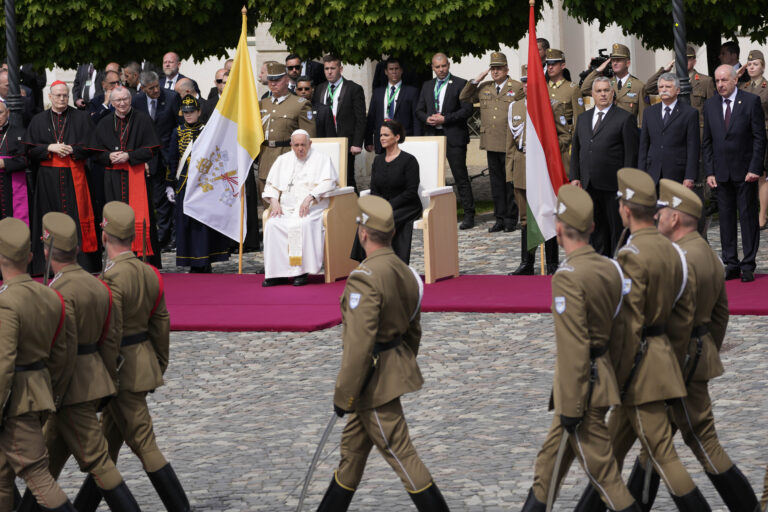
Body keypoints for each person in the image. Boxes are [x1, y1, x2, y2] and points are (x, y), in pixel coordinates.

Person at [575, 168, 710, 512]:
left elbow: (627, 324)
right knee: (611, 453)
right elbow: (684, 314)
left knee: (663, 457)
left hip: (639, 371)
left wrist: (612, 373)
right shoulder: (675, 252)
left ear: (624, 208)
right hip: (661, 361)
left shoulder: (632, 255)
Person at [628, 179, 759, 511]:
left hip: (678, 366)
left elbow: (674, 320)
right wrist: (706, 350)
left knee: (704, 444)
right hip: (690, 361)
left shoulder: (681, 258)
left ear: (675, 218)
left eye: (662, 211)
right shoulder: (705, 253)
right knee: (653, 447)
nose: (657, 217)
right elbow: (720, 315)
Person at [317, 195, 450, 512]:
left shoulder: (364, 278)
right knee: (351, 456)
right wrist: (400, 366)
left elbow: (359, 346)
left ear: (363, 233)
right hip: (385, 372)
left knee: (402, 455)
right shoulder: (406, 273)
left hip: (371, 383)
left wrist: (344, 394)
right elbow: (413, 331)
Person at [520, 185, 639, 512]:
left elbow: (574, 349)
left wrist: (572, 408)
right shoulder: (610, 268)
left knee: (606, 479)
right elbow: (620, 333)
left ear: (558, 229)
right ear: (592, 227)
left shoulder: (568, 278)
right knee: (548, 467)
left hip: (580, 394)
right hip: (596, 384)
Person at [16, 213, 142, 511]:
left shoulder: (57, 292)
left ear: (46, 250)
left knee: (99, 463)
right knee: (44, 466)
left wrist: (53, 391)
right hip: (92, 381)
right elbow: (110, 341)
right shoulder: (98, 284)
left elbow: (60, 351)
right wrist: (107, 377)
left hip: (70, 391)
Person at [74, 201, 190, 512]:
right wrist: (158, 364)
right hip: (141, 365)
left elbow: (108, 335)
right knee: (105, 448)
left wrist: (105, 374)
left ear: (105, 233)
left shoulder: (111, 280)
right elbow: (161, 324)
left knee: (145, 445)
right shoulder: (149, 273)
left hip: (120, 373)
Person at [0, 217, 76, 511]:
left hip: (14, 404)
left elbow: (4, 364)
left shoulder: (6, 302)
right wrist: (50, 389)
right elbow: (63, 355)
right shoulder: (50, 295)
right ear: (30, 256)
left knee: (38, 476)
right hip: (39, 393)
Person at [24, 80, 100, 274]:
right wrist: (49, 147)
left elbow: (93, 146)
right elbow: (29, 150)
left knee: (77, 218)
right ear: (50, 97)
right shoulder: (38, 120)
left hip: (76, 176)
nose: (62, 99)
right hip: (48, 179)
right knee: (50, 218)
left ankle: (83, 264)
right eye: (58, 95)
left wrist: (73, 150)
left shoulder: (81, 118)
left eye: (65, 95)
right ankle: (47, 265)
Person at [702, 65, 766, 282]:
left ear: (734, 80)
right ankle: (731, 262)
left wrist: (755, 167)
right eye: (717, 81)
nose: (720, 85)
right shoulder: (710, 105)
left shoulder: (750, 102)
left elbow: (759, 137)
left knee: (747, 219)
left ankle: (748, 264)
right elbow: (707, 142)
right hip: (721, 173)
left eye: (724, 80)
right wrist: (709, 171)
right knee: (726, 220)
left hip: (745, 171)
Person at [506, 65, 569, 275]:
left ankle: (551, 263)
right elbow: (509, 144)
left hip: (543, 167)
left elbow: (565, 136)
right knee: (525, 217)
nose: (527, 85)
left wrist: (548, 150)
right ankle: (527, 262)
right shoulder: (514, 107)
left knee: (547, 213)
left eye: (531, 81)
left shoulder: (552, 105)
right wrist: (509, 172)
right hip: (522, 167)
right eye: (524, 81)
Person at [92, 86, 162, 267]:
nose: (122, 103)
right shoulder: (105, 123)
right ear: (112, 103)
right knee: (114, 217)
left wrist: (129, 156)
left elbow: (151, 149)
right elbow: (95, 154)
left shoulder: (143, 120)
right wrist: (108, 156)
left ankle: (143, 259)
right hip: (112, 179)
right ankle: (116, 258)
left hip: (136, 175)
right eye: (117, 100)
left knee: (141, 218)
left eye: (125, 99)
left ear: (130, 100)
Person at [570, 76, 638, 256]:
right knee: (596, 230)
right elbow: (577, 149)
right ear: (592, 94)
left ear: (612, 93)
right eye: (598, 91)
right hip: (589, 183)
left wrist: (627, 184)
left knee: (617, 229)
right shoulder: (584, 118)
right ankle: (601, 265)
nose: (602, 94)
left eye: (606, 90)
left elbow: (631, 154)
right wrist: (575, 176)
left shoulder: (625, 118)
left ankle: (618, 266)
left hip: (614, 185)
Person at [261, 129, 338, 287]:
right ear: (291, 145)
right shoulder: (283, 160)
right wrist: (274, 201)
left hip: (311, 207)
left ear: (310, 144)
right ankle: (277, 274)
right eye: (296, 145)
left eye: (303, 145)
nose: (300, 148)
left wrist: (310, 197)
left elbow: (329, 182)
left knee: (299, 225)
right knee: (272, 224)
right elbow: (271, 185)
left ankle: (299, 272)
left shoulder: (322, 160)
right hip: (285, 207)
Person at [167, 95, 232, 273]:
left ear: (199, 112)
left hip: (204, 183)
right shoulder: (177, 131)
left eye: (191, 112)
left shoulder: (207, 130)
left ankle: (205, 259)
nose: (188, 115)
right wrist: (170, 183)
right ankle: (191, 260)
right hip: (184, 183)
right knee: (186, 223)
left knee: (203, 223)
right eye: (185, 112)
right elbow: (172, 158)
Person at [460, 51, 522, 232]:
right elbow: (464, 97)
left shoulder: (516, 87)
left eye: (499, 68)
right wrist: (476, 79)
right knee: (495, 183)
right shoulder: (484, 87)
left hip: (508, 141)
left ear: (506, 69)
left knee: (509, 182)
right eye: (493, 68)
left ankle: (511, 219)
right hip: (491, 141)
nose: (495, 72)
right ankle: (500, 218)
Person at [415, 53, 475, 229]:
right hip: (433, 138)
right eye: (437, 67)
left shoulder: (460, 83)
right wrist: (427, 119)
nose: (441, 70)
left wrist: (445, 119)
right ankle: (436, 213)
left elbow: (467, 110)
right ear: (432, 68)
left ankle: (469, 214)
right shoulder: (427, 85)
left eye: (443, 66)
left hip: (454, 137)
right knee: (433, 178)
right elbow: (419, 110)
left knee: (460, 176)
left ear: (448, 65)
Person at [352, 119, 421, 264]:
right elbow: (375, 189)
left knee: (383, 222)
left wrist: (387, 207)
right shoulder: (378, 161)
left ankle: (393, 264)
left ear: (397, 137)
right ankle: (365, 262)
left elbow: (411, 191)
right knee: (365, 222)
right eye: (380, 135)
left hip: (406, 206)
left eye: (386, 135)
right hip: (383, 207)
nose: (382, 138)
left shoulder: (409, 160)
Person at [132, 71, 182, 251]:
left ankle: (173, 238)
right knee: (157, 199)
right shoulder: (137, 101)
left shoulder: (171, 98)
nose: (156, 90)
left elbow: (179, 126)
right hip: (149, 158)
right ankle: (161, 237)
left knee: (172, 199)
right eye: (151, 88)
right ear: (143, 88)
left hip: (169, 155)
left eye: (157, 86)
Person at [257, 62, 316, 202]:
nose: (273, 84)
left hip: (289, 160)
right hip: (265, 160)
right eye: (270, 80)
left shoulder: (300, 104)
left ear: (286, 80)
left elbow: (310, 137)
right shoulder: (262, 104)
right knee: (267, 206)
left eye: (277, 80)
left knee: (287, 205)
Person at [313, 54, 366, 192]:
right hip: (324, 140)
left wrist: (357, 143)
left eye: (333, 68)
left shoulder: (354, 88)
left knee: (347, 178)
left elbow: (360, 118)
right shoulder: (319, 88)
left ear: (340, 69)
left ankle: (354, 209)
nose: (329, 72)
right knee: (325, 178)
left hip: (346, 141)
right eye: (326, 68)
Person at [638, 73, 700, 185]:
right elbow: (644, 145)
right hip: (652, 172)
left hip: (677, 173)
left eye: (668, 87)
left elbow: (693, 147)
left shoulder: (689, 113)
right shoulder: (649, 112)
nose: (664, 90)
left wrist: (690, 176)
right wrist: (641, 173)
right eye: (661, 87)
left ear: (677, 90)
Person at [581, 44, 648, 126]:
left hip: (628, 133)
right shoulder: (606, 83)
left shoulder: (638, 86)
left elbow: (644, 119)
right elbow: (585, 89)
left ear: (627, 63)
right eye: (613, 60)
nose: (615, 63)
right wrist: (598, 70)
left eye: (619, 60)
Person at [365, 57, 421, 154]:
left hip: (403, 140)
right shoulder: (378, 92)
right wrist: (368, 140)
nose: (394, 72)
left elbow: (416, 119)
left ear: (401, 70)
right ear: (386, 72)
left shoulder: (411, 92)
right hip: (382, 141)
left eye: (396, 68)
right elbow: (371, 118)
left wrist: (417, 140)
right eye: (391, 69)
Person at [740, 49, 768, 231]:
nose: (751, 67)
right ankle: (749, 212)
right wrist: (738, 73)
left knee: (761, 176)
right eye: (749, 64)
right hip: (745, 136)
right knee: (746, 174)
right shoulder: (743, 87)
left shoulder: (766, 88)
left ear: (763, 67)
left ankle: (762, 216)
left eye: (755, 64)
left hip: (763, 135)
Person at [0, 100, 30, 224]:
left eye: (0, 112)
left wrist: (5, 164)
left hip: (11, 185)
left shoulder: (20, 132)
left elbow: (28, 159)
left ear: (8, 112)